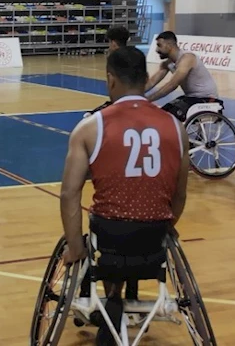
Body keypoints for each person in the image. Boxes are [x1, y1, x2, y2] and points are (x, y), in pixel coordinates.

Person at [60, 46, 189, 346]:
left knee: (104, 232)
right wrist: (168, 223)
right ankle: (120, 299)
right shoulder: (177, 127)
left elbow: (69, 194)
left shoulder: (90, 127)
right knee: (144, 228)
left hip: (110, 231)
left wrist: (76, 247)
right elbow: (179, 194)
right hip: (154, 231)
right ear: (145, 79)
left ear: (110, 80)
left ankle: (113, 299)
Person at [145, 31, 219, 122]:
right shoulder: (167, 63)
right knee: (161, 114)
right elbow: (152, 82)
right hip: (191, 98)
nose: (156, 50)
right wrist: (134, 94)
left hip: (206, 99)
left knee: (165, 119)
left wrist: (148, 99)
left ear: (169, 45)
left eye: (159, 45)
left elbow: (172, 84)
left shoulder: (187, 58)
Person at [82, 26, 132, 117]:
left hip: (122, 101)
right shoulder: (134, 55)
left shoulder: (114, 58)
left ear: (113, 42)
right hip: (135, 99)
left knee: (88, 116)